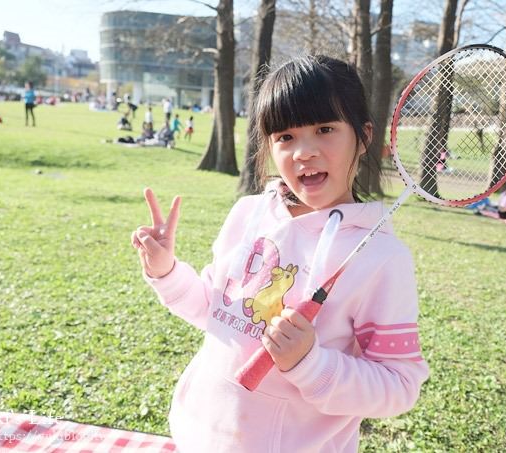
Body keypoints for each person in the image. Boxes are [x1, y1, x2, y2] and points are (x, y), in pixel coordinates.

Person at [131, 55, 429, 452]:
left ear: (364, 136)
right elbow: (214, 312)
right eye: (285, 136)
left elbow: (399, 385)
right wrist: (166, 271)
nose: (304, 151)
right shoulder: (248, 213)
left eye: (325, 129)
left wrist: (311, 362)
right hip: (199, 434)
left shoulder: (382, 258)